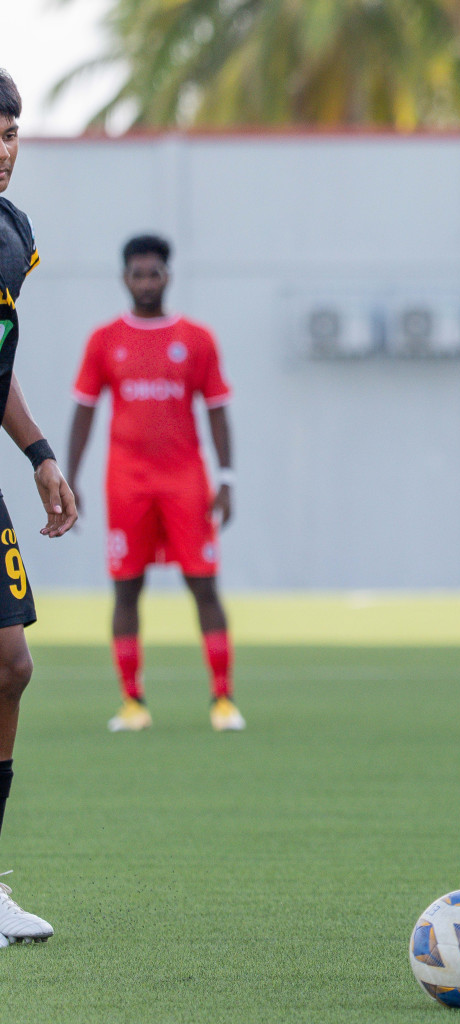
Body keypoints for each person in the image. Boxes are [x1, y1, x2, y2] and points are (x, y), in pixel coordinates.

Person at [66, 234, 242, 733]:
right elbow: (83, 412)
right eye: (137, 273)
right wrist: (69, 478)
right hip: (127, 481)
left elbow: (218, 411)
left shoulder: (197, 338)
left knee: (203, 584)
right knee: (126, 587)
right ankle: (132, 701)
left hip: (186, 480)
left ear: (168, 276)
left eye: (154, 273)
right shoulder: (104, 341)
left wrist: (226, 479)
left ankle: (223, 698)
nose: (146, 282)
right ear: (125, 278)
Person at [0, 67, 81, 947]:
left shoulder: (14, 236)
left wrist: (39, 453)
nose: (2, 149)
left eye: (12, 132)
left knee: (11, 668)